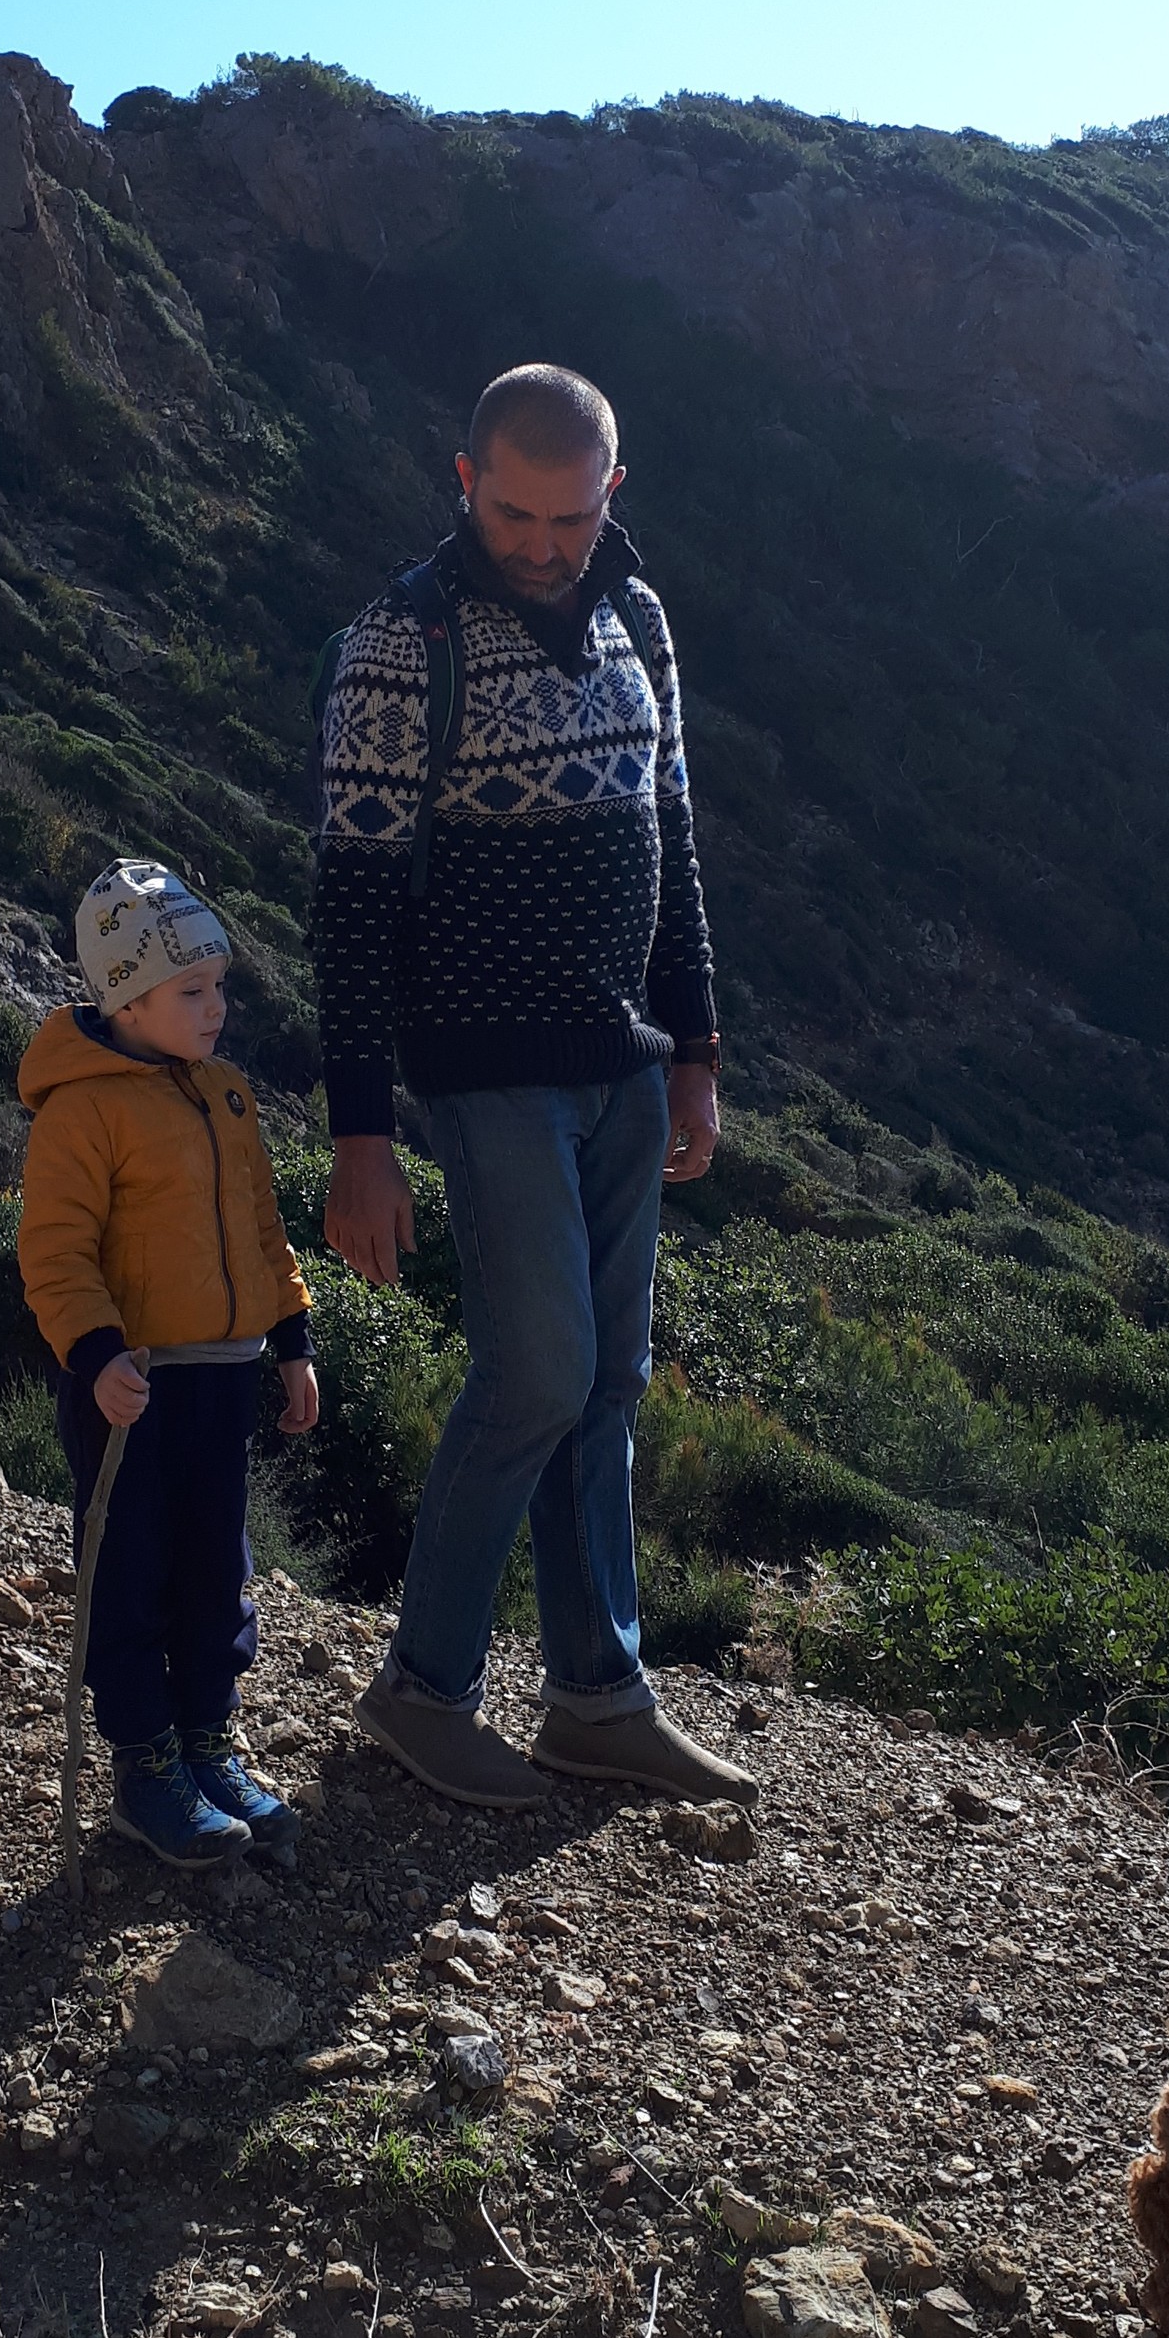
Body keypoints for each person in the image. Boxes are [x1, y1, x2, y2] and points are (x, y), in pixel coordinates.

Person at [311, 361, 757, 1814]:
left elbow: (671, 848)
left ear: (610, 493)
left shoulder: (641, 622)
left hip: (621, 1063)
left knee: (609, 1387)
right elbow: (352, 903)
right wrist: (361, 1135)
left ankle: (596, 1697)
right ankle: (421, 1690)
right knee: (538, 1374)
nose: (545, 544)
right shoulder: (403, 639)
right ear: (465, 481)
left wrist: (695, 1055)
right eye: (515, 514)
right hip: (486, 1072)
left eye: (570, 517)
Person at [17, 859, 319, 1867]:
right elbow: (55, 1251)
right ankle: (142, 1763)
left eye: (219, 986)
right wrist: (95, 1354)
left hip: (221, 1375)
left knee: (212, 1569)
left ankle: (208, 1742)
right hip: (132, 1383)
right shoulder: (82, 1109)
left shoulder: (226, 1098)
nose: (216, 1008)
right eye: (192, 991)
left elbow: (263, 1229)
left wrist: (291, 1338)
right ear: (127, 998)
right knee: (130, 1570)